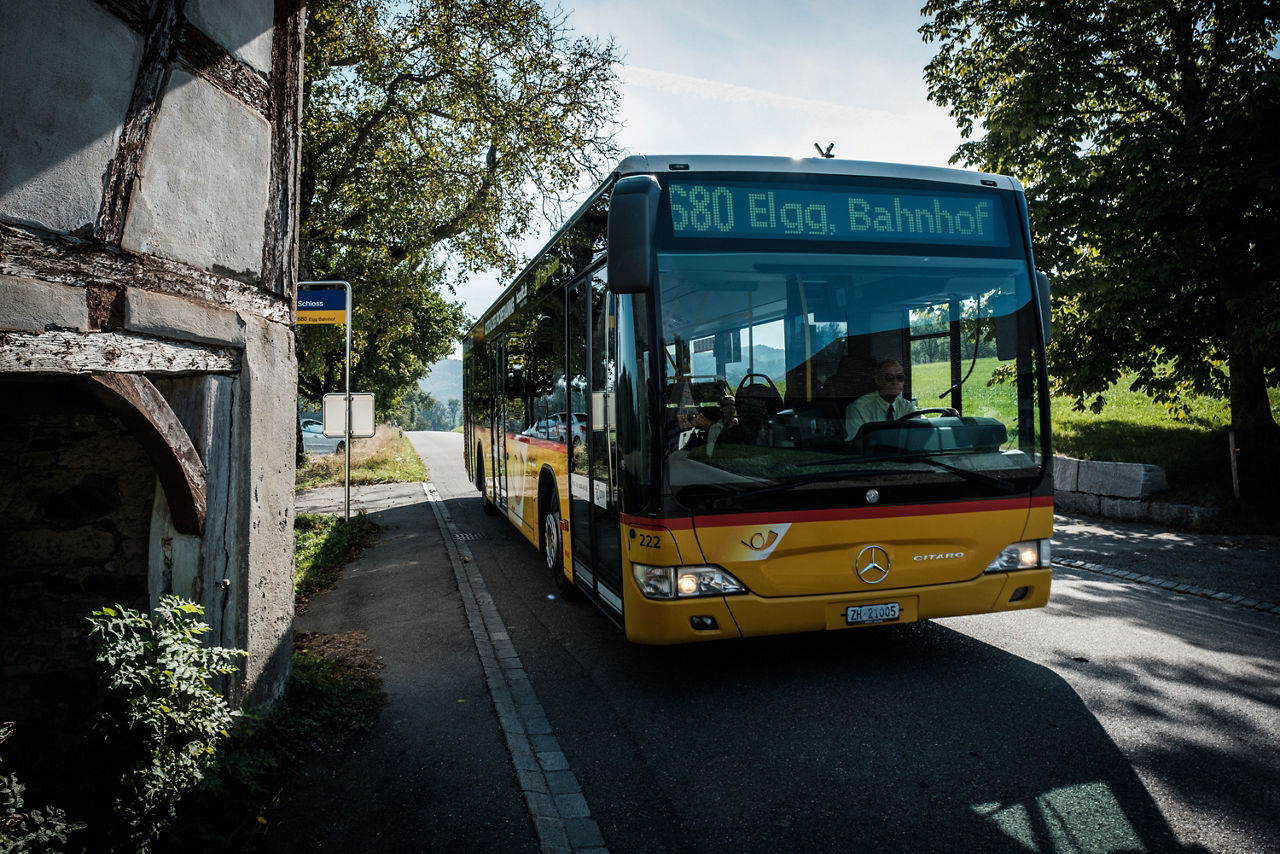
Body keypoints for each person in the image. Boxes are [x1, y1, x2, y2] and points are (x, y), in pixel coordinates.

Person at [844, 359, 915, 441]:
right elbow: (857, 445)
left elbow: (921, 433)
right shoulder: (858, 408)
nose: (895, 382)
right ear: (878, 380)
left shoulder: (907, 407)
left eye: (900, 377)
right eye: (889, 378)